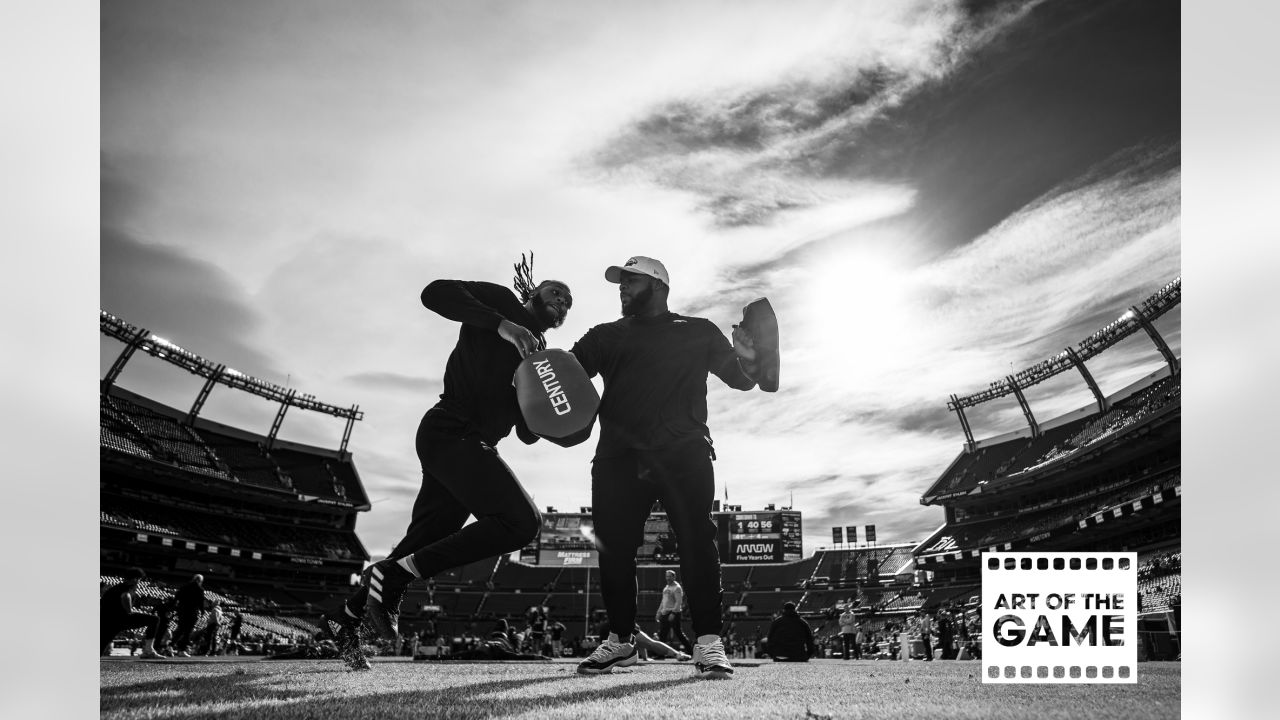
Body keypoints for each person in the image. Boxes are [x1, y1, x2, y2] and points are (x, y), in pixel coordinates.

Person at [323, 257, 573, 670]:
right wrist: (503, 326)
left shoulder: (540, 356)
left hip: (466, 444)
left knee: (422, 541)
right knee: (522, 522)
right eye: (555, 292)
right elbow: (434, 293)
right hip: (451, 430)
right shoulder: (502, 304)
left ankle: (345, 620)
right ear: (532, 294)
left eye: (567, 302)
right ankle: (394, 578)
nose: (562, 301)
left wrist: (559, 416)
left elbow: (527, 430)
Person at [570, 256, 759, 679]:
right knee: (614, 549)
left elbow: (743, 380)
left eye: (630, 281)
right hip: (619, 456)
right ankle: (621, 641)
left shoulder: (698, 330)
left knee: (696, 541)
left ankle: (709, 643)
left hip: (684, 451)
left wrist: (749, 356)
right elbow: (563, 376)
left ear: (658, 285)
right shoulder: (605, 335)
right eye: (620, 282)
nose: (621, 287)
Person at [100, 568, 164, 658]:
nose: (139, 582)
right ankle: (148, 650)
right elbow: (125, 596)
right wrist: (129, 610)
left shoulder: (114, 588)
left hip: (106, 620)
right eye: (139, 579)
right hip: (120, 619)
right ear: (135, 579)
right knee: (154, 619)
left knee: (101, 646)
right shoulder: (127, 588)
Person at [655, 569, 691, 653]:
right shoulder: (666, 587)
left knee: (678, 633)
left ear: (674, 577)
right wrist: (659, 612)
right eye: (667, 576)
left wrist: (673, 613)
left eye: (670, 576)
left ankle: (690, 651)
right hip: (665, 613)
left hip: (673, 613)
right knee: (662, 634)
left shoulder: (677, 587)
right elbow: (663, 601)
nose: (668, 578)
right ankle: (660, 653)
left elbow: (679, 602)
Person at [170, 573, 205, 657]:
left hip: (181, 611)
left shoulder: (184, 587)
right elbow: (201, 602)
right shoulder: (199, 589)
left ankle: (170, 646)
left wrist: (172, 608)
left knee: (180, 629)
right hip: (192, 612)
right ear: (200, 581)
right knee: (188, 631)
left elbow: (176, 597)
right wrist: (202, 611)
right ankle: (181, 650)